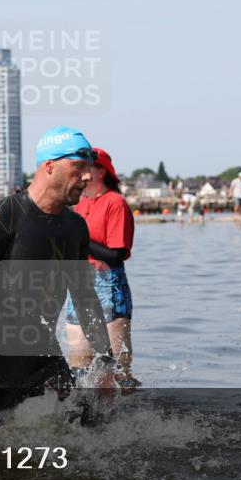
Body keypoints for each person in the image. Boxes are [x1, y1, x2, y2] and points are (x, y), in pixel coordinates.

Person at [0, 127, 116, 427]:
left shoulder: (75, 228)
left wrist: (107, 366)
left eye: (90, 168)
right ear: (49, 166)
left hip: (44, 359)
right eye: (79, 167)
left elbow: (85, 299)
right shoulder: (3, 217)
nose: (88, 176)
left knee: (91, 429)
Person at [64, 147, 138, 391]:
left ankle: (128, 417)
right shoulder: (81, 203)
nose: (80, 174)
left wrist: (79, 238)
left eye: (85, 167)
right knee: (79, 368)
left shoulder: (116, 203)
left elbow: (117, 256)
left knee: (116, 369)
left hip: (108, 285)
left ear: (100, 172)